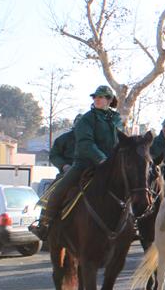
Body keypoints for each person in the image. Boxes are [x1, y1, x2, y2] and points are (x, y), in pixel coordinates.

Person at [30, 86, 122, 240]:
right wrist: (102, 159)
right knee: (60, 188)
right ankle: (45, 223)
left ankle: (133, 224)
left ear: (109, 100)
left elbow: (120, 141)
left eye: (100, 97)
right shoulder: (87, 119)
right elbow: (86, 143)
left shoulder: (117, 120)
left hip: (111, 165)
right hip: (85, 164)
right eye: (95, 97)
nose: (97, 99)